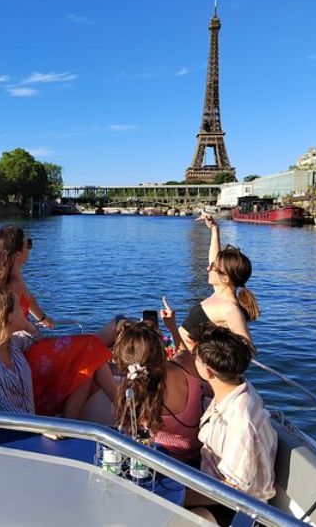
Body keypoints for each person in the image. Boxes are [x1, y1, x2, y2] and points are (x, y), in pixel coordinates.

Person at [0, 225, 118, 417]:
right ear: (17, 254)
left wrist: (41, 317)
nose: (30, 249)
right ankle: (123, 406)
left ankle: (71, 422)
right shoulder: (12, 287)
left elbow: (29, 299)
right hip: (22, 352)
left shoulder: (7, 282)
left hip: (25, 345)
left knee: (87, 363)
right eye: (28, 245)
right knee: (89, 347)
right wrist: (33, 324)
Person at [190, 323, 277, 505]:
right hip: (208, 480)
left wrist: (181, 498)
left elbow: (232, 490)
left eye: (195, 357)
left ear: (207, 371)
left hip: (235, 508)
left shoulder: (239, 421)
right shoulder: (235, 388)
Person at [112, 320, 202, 463]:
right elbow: (184, 351)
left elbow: (134, 433)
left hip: (158, 459)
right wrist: (172, 327)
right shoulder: (186, 366)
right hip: (194, 454)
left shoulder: (135, 389)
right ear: (162, 351)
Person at [169, 214, 259, 350]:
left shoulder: (230, 309)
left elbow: (247, 349)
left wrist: (207, 352)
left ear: (225, 277)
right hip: (177, 352)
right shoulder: (220, 294)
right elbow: (214, 258)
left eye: (212, 267)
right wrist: (214, 229)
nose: (208, 268)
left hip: (189, 365)